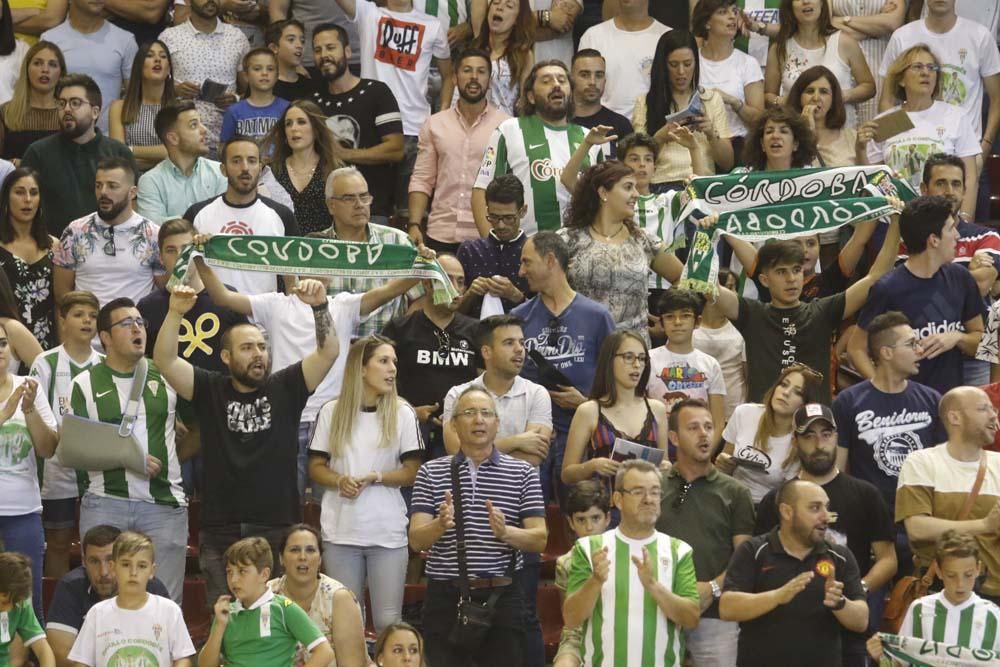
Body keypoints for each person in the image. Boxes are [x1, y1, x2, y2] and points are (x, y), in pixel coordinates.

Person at [153, 270, 344, 607]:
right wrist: (175, 312)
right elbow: (165, 360)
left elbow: (328, 353)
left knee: (274, 623)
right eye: (247, 348)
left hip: (277, 525)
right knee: (225, 621)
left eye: (261, 347)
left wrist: (320, 307)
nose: (258, 354)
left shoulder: (287, 385)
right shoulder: (210, 388)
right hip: (220, 527)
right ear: (226, 357)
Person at [711, 196, 902, 403]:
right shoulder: (752, 313)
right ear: (765, 280)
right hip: (762, 423)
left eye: (796, 270)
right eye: (782, 272)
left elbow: (876, 276)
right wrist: (707, 234)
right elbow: (707, 287)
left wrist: (895, 223)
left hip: (814, 423)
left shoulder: (823, 311)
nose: (791, 279)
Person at [409, 386, 547, 667]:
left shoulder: (522, 473)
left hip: (503, 594)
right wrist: (440, 524)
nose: (478, 420)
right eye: (469, 413)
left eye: (486, 413)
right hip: (446, 595)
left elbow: (539, 539)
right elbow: (416, 541)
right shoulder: (430, 471)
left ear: (498, 424)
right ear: (454, 425)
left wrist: (506, 532)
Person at [754, 402, 897, 667]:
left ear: (837, 437)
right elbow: (760, 563)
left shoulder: (865, 494)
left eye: (826, 434)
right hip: (788, 630)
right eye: (809, 436)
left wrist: (858, 589)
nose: (819, 443)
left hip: (847, 630)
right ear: (795, 442)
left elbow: (888, 559)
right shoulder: (776, 501)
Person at [70, 297, 188, 603]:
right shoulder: (84, 383)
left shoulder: (167, 374)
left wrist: (170, 457)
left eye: (140, 322)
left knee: (165, 599)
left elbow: (197, 430)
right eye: (126, 323)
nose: (137, 328)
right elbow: (73, 449)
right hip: (105, 500)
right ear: (104, 337)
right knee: (102, 598)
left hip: (163, 501)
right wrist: (128, 458)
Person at [308, 336, 424, 634]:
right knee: (347, 624)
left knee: (388, 622)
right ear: (361, 368)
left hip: (387, 533)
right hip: (341, 532)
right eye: (383, 361)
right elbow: (316, 467)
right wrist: (339, 480)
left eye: (394, 362)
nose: (392, 369)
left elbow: (413, 471)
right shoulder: (331, 411)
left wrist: (378, 477)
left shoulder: (403, 412)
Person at [562, 459, 700, 667]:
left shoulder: (679, 551)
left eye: (655, 492)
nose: (648, 499)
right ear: (618, 499)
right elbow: (571, 618)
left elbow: (691, 618)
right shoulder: (589, 549)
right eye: (638, 491)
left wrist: (652, 585)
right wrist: (595, 581)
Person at [720, 478, 869, 666]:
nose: (825, 516)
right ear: (787, 512)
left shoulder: (840, 556)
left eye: (826, 507)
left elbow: (861, 620)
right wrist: (776, 596)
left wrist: (840, 603)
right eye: (815, 508)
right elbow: (727, 607)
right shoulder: (754, 551)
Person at [514, 231, 615, 503]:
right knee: (532, 518)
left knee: (581, 516)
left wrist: (584, 403)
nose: (521, 271)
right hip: (532, 437)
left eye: (527, 262)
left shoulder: (597, 317)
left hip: (581, 437)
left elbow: (616, 384)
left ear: (550, 261)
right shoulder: (518, 318)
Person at [850, 196, 986, 396]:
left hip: (949, 404)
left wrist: (957, 338)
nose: (957, 235)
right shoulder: (887, 288)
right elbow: (856, 348)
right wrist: (883, 389)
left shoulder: (960, 278)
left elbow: (982, 342)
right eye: (950, 229)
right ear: (934, 240)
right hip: (904, 409)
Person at [331, 0, 451, 225]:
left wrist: (441, 115)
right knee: (371, 212)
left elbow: (449, 76)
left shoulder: (433, 25)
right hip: (373, 129)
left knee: (412, 218)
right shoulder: (369, 13)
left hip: (415, 128)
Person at [656, 398, 754, 666]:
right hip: (658, 612)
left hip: (715, 617)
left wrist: (711, 588)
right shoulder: (654, 487)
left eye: (709, 427)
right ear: (674, 437)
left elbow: (743, 557)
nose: (704, 434)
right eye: (694, 427)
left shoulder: (735, 492)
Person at [557, 160, 684, 342]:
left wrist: (668, 317)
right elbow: (546, 289)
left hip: (632, 350)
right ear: (603, 193)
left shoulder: (643, 240)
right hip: (580, 346)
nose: (636, 194)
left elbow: (682, 278)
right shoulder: (568, 239)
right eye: (628, 187)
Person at [474, 60, 605, 236]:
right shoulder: (509, 130)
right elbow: (481, 190)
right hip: (523, 248)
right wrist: (491, 246)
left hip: (577, 248)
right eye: (546, 81)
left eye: (562, 80)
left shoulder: (590, 138)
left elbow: (603, 202)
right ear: (531, 97)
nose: (556, 85)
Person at [834, 311, 945, 515]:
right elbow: (838, 470)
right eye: (911, 344)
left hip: (923, 512)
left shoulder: (932, 399)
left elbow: (944, 466)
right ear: (886, 353)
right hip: (869, 516)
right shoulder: (848, 402)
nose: (920, 350)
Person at [896, 386, 1000, 602]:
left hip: (994, 596)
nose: (993, 415)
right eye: (983, 409)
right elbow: (917, 528)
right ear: (955, 417)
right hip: (939, 592)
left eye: (994, 410)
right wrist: (984, 525)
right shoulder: (922, 461)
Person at [29, 291, 102, 580]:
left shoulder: (105, 364)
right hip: (56, 473)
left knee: (98, 546)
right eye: (78, 314)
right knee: (58, 545)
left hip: (97, 472)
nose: (87, 321)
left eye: (93, 316)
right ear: (62, 320)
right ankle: (59, 608)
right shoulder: (44, 363)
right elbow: (37, 412)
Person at [408, 47, 510, 252]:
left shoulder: (507, 126)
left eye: (481, 72)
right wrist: (414, 224)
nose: (474, 77)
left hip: (486, 234)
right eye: (467, 70)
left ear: (489, 81)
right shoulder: (434, 124)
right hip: (440, 232)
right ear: (454, 77)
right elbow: (422, 178)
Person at [858, 46, 980, 215]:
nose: (926, 73)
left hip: (943, 218)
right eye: (918, 67)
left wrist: (964, 224)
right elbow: (873, 179)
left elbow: (970, 178)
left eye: (932, 68)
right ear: (901, 79)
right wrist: (861, 148)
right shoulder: (887, 121)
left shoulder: (956, 117)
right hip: (894, 218)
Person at [381, 254, 478, 460]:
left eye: (460, 282)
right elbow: (379, 383)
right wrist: (409, 412)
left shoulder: (476, 331)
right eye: (447, 280)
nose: (455, 289)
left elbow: (487, 383)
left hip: (461, 434)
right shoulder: (399, 329)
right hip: (409, 431)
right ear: (427, 284)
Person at [309, 22, 404, 224]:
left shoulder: (376, 92)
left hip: (372, 209)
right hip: (324, 211)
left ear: (348, 51)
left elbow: (396, 149)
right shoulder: (312, 101)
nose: (324, 55)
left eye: (330, 47)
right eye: (318, 50)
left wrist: (345, 154)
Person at [879, 0, 1000, 155]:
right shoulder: (902, 37)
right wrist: (894, 145)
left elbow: (996, 100)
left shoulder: (980, 36)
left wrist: (985, 147)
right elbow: (887, 99)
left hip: (966, 152)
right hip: (912, 150)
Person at [21, 73, 136, 236]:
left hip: (110, 247)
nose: (67, 109)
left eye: (75, 103)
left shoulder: (119, 153)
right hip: (53, 247)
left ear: (95, 112)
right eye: (61, 103)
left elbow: (133, 208)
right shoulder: (38, 153)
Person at [307, 166, 416, 336]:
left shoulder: (398, 242)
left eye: (364, 197)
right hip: (329, 350)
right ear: (331, 205)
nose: (359, 205)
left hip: (382, 348)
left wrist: (400, 335)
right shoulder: (314, 248)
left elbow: (420, 299)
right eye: (349, 198)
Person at [183, 136, 298, 297]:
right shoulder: (196, 214)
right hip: (213, 315)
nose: (245, 168)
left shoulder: (282, 215)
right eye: (236, 161)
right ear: (223, 169)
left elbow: (292, 278)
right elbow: (182, 273)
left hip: (265, 315)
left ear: (260, 167)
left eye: (251, 161)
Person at [561, 331, 669, 498]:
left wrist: (666, 467)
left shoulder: (657, 409)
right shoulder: (589, 411)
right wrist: (591, 466)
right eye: (628, 357)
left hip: (649, 505)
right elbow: (567, 474)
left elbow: (665, 462)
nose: (637, 365)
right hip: (607, 509)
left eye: (641, 358)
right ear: (609, 361)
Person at [199, 536, 336, 667]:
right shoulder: (225, 612)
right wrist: (219, 626)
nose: (233, 580)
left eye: (242, 571)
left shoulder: (284, 607)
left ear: (264, 574)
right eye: (229, 572)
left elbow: (324, 652)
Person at [45, 524, 171, 665]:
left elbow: (175, 652)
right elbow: (60, 653)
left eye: (109, 560)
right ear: (84, 561)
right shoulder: (70, 586)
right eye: (94, 561)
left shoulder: (152, 587)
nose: (103, 572)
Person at [867, 530, 1000, 662]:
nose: (960, 584)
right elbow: (904, 660)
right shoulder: (920, 609)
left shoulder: (993, 615)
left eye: (968, 575)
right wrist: (882, 656)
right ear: (938, 571)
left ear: (978, 569)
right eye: (951, 576)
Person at [68, 531, 195, 667]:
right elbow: (82, 663)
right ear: (113, 567)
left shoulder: (170, 611)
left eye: (141, 566)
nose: (133, 573)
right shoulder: (97, 613)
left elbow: (183, 658)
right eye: (126, 564)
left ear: (152, 571)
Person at [137, 218, 248, 374]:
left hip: (222, 394)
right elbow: (143, 362)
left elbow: (247, 351)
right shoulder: (148, 307)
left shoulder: (228, 298)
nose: (179, 256)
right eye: (171, 250)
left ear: (198, 252)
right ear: (161, 258)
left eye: (186, 249)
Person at [52, 157, 166, 308]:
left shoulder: (153, 234)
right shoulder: (75, 231)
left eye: (112, 186)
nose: (103, 192)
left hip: (135, 326)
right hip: (87, 327)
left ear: (132, 193)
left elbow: (164, 291)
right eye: (98, 186)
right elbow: (62, 293)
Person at [0, 314, 56, 621]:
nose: (0, 351)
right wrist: (5, 413)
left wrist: (30, 410)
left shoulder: (29, 387)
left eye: (3, 343)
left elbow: (48, 448)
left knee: (28, 604)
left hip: (23, 511)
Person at [635, 30, 734, 190]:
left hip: (703, 183)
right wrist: (660, 137)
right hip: (661, 184)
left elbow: (727, 162)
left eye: (687, 64)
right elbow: (637, 161)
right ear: (663, 65)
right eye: (673, 65)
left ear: (696, 63)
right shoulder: (645, 102)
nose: (681, 72)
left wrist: (711, 133)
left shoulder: (711, 99)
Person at [266, 524, 369, 667]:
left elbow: (351, 664)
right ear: (281, 558)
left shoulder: (340, 598)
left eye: (310, 550)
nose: (302, 557)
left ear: (320, 559)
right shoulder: (266, 594)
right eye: (295, 550)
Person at [158, 0, 250, 158]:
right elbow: (151, 85)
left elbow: (252, 90)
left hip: (227, 138)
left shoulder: (236, 37)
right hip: (183, 139)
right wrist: (174, 89)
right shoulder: (170, 37)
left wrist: (235, 98)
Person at [717, 363, 820, 505]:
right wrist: (722, 463)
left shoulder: (802, 441)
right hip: (730, 499)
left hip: (770, 509)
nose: (786, 393)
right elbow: (722, 468)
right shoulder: (744, 413)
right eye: (784, 384)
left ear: (805, 405)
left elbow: (790, 498)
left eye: (797, 392)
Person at [764, 0, 873, 128]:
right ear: (790, 6)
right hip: (797, 134)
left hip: (840, 133)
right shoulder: (779, 49)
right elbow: (767, 96)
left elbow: (869, 87)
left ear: (822, 3)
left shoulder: (845, 42)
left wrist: (839, 96)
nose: (806, 2)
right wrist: (787, 100)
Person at [647, 289, 726, 450]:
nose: (677, 322)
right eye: (670, 317)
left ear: (697, 321)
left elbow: (718, 422)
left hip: (700, 448)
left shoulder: (710, 364)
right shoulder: (647, 360)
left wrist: (706, 454)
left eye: (685, 315)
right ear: (661, 323)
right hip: (658, 447)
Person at [41, 0, 136, 133]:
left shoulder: (125, 40)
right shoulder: (50, 40)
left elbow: (135, 97)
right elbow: (42, 95)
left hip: (109, 140)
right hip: (60, 137)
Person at [693, 0, 764, 161]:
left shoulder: (747, 63)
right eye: (723, 12)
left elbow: (760, 119)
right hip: (699, 145)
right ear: (706, 23)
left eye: (734, 11)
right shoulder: (692, 61)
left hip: (739, 146)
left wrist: (733, 101)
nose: (732, 17)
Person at [136, 101, 227, 224]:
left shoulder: (220, 172)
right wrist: (199, 218)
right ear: (173, 138)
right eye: (194, 125)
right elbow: (153, 230)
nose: (204, 130)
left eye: (202, 123)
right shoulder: (151, 181)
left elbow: (224, 221)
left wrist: (175, 220)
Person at [262, 100, 343, 236]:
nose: (294, 128)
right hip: (280, 248)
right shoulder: (271, 170)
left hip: (322, 250)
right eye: (288, 124)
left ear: (316, 129)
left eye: (301, 122)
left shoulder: (334, 170)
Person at [551, 481, 610, 667]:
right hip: (578, 635)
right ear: (570, 522)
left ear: (607, 518)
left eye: (595, 518)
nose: (589, 528)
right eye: (581, 520)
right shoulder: (565, 563)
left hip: (615, 632)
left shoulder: (624, 554)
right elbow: (570, 620)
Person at [578, 0, 669, 119]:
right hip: (604, 128)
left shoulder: (667, 37)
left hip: (653, 128)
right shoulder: (592, 36)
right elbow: (579, 91)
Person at [456, 174, 531, 317]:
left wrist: (517, 297)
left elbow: (546, 315)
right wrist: (470, 294)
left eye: (509, 218)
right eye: (494, 217)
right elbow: (450, 314)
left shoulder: (535, 251)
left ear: (523, 211)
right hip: (473, 333)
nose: (501, 225)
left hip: (522, 335)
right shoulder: (470, 250)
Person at [0, 166, 55, 349]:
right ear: (6, 197)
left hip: (49, 340)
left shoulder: (54, 246)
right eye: (19, 192)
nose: (28, 200)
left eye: (34, 193)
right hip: (7, 343)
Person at [829, 0, 907, 125]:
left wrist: (842, 20)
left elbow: (892, 22)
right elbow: (824, 21)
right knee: (840, 130)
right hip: (839, 61)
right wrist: (874, 26)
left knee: (879, 128)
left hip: (880, 64)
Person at [108, 40, 176, 173]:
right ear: (139, 66)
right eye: (150, 56)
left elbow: (175, 151)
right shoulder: (119, 107)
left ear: (169, 69)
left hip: (170, 179)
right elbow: (118, 153)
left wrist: (130, 150)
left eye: (163, 56)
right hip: (131, 180)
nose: (157, 60)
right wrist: (161, 155)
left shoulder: (178, 109)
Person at [692, 266, 746, 419]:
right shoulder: (689, 327)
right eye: (729, 287)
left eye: (735, 288)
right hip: (697, 412)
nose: (734, 294)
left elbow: (748, 376)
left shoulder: (742, 329)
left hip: (734, 412)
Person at [0, 40, 62, 160]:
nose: (45, 70)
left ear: (61, 73)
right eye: (38, 63)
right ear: (26, 69)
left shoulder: (68, 114)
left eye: (52, 64)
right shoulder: (5, 112)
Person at [472, 0, 534, 118]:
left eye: (509, 6)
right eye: (495, 3)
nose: (499, 8)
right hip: (472, 125)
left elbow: (525, 103)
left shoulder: (523, 56)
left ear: (517, 19)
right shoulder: (475, 49)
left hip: (504, 127)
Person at [788, 65, 858, 167]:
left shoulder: (852, 137)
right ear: (799, 97)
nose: (816, 98)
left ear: (833, 99)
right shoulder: (786, 136)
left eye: (823, 92)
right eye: (810, 91)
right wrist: (806, 132)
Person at [569, 49, 632, 158]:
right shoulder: (558, 122)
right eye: (584, 75)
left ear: (605, 81)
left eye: (599, 75)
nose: (592, 82)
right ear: (571, 79)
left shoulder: (621, 125)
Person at [221, 48, 289, 144]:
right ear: (246, 76)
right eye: (257, 69)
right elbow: (224, 147)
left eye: (270, 69)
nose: (265, 73)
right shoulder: (233, 111)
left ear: (277, 75)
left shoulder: (287, 109)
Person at [0, 552, 54, 667]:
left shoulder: (20, 603)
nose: (8, 609)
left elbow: (43, 650)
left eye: (13, 604)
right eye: (4, 602)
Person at [267, 19, 314, 103]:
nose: (299, 45)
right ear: (274, 48)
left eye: (302, 41)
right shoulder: (263, 83)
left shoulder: (308, 85)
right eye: (291, 40)